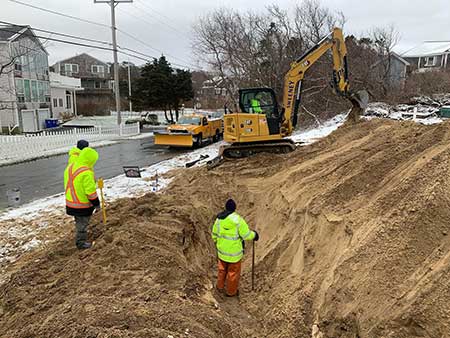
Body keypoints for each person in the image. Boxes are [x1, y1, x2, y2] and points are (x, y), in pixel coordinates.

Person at [211, 199, 259, 297]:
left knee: (222, 270)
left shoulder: (219, 219)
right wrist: (254, 235)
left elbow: (214, 234)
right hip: (234, 255)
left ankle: (219, 287)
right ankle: (231, 292)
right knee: (232, 273)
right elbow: (246, 235)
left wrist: (219, 243)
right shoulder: (238, 220)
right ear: (234, 208)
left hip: (222, 252)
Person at [64, 147, 100, 249]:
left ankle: (81, 238)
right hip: (81, 205)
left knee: (79, 221)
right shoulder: (86, 172)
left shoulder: (70, 167)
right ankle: (81, 243)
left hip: (70, 202)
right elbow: (90, 192)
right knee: (82, 225)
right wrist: (97, 204)